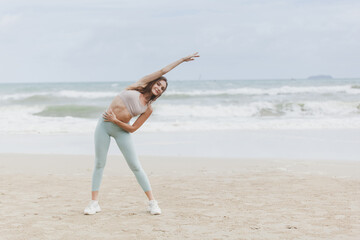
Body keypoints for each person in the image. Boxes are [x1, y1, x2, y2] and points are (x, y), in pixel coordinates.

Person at [84, 52, 200, 215]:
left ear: (160, 93)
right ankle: (94, 203)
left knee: (135, 166)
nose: (159, 88)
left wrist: (116, 120)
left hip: (121, 129)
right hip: (103, 125)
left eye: (162, 89)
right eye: (159, 84)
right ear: (153, 82)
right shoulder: (139, 85)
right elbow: (162, 70)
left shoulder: (148, 109)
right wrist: (181, 60)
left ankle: (153, 203)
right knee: (99, 164)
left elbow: (132, 129)